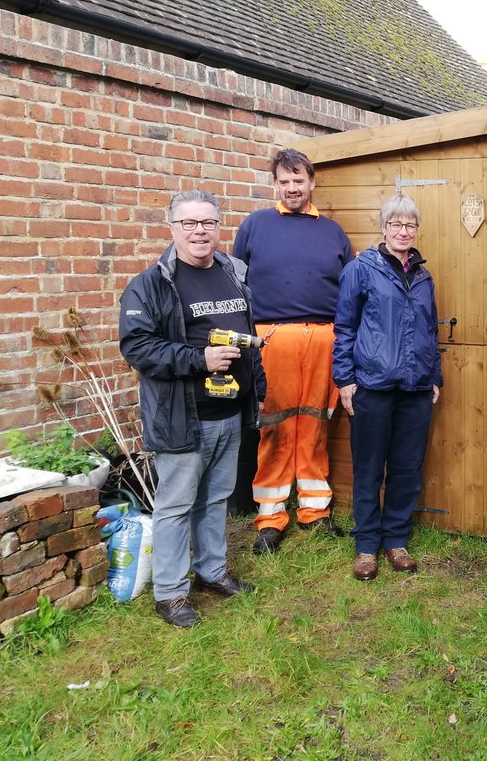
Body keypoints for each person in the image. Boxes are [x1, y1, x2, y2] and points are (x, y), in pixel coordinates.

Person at [119, 189, 264, 628]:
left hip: (230, 411)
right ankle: (170, 593)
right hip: (184, 415)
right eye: (189, 223)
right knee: (176, 505)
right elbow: (138, 348)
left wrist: (255, 387)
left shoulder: (232, 272)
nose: (199, 231)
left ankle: (211, 571)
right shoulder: (151, 284)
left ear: (219, 227)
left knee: (216, 498)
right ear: (172, 227)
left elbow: (245, 332)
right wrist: (199, 360)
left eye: (208, 223)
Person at [233, 148, 353, 554]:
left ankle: (315, 511)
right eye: (284, 181)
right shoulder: (255, 225)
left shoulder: (333, 232)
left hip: (323, 337)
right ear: (275, 184)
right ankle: (270, 517)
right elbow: (236, 287)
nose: (292, 188)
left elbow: (349, 292)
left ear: (311, 182)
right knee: (276, 425)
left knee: (317, 424)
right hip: (273, 338)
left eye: (298, 180)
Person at [334, 194, 442, 581]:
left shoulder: (425, 276)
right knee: (368, 469)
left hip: (415, 390)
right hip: (372, 386)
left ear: (416, 230)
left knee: (406, 468)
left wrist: (434, 376)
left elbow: (430, 329)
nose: (402, 231)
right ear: (383, 229)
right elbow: (345, 327)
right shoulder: (361, 270)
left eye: (409, 225)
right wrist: (344, 378)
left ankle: (396, 539)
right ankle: (366, 545)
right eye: (395, 224)